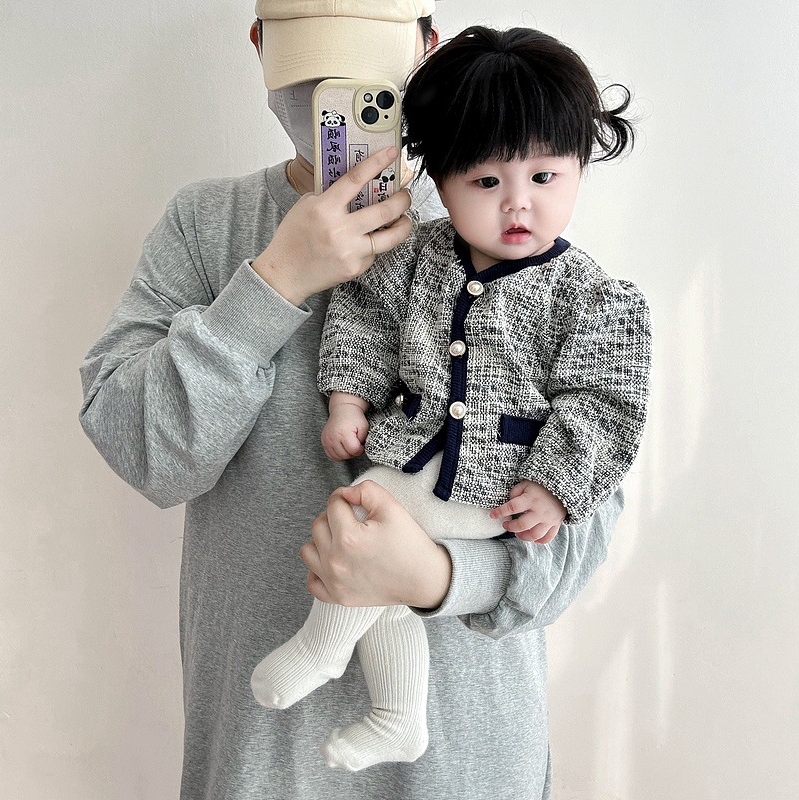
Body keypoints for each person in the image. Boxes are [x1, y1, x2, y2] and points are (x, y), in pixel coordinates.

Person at [79, 3, 629, 798]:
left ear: (427, 47)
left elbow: (589, 512)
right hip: (263, 760)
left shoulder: (515, 223)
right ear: (261, 47)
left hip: (465, 763)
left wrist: (439, 576)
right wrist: (274, 282)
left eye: (361, 66)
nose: (331, 95)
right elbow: (146, 453)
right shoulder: (208, 226)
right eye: (309, 66)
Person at [250, 25, 652, 773]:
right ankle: (398, 715)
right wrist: (348, 402)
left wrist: (557, 488)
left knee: (364, 525)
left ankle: (324, 644)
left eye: (545, 176)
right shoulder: (415, 257)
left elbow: (604, 404)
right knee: (377, 559)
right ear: (439, 177)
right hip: (419, 459)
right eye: (486, 183)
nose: (518, 204)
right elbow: (364, 318)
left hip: (495, 495)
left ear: (580, 168)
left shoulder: (592, 298)